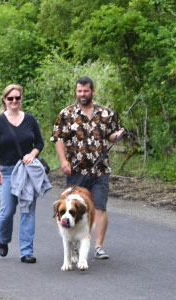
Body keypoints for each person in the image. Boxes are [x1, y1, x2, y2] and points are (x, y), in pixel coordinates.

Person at [51, 76, 124, 259]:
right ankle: (74, 243)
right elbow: (58, 139)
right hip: (76, 171)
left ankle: (98, 246)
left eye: (85, 91)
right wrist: (63, 162)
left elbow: (111, 136)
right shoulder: (66, 114)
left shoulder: (106, 113)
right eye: (79, 91)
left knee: (99, 207)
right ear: (76, 92)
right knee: (73, 207)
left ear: (92, 91)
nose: (82, 94)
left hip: (100, 169)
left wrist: (119, 135)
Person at [0, 84, 44, 263]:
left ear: (21, 99)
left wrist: (32, 154)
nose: (14, 101)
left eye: (17, 98)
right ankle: (3, 239)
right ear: (4, 100)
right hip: (6, 170)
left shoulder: (29, 120)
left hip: (26, 171)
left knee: (27, 210)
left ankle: (26, 251)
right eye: (10, 98)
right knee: (7, 211)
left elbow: (40, 143)